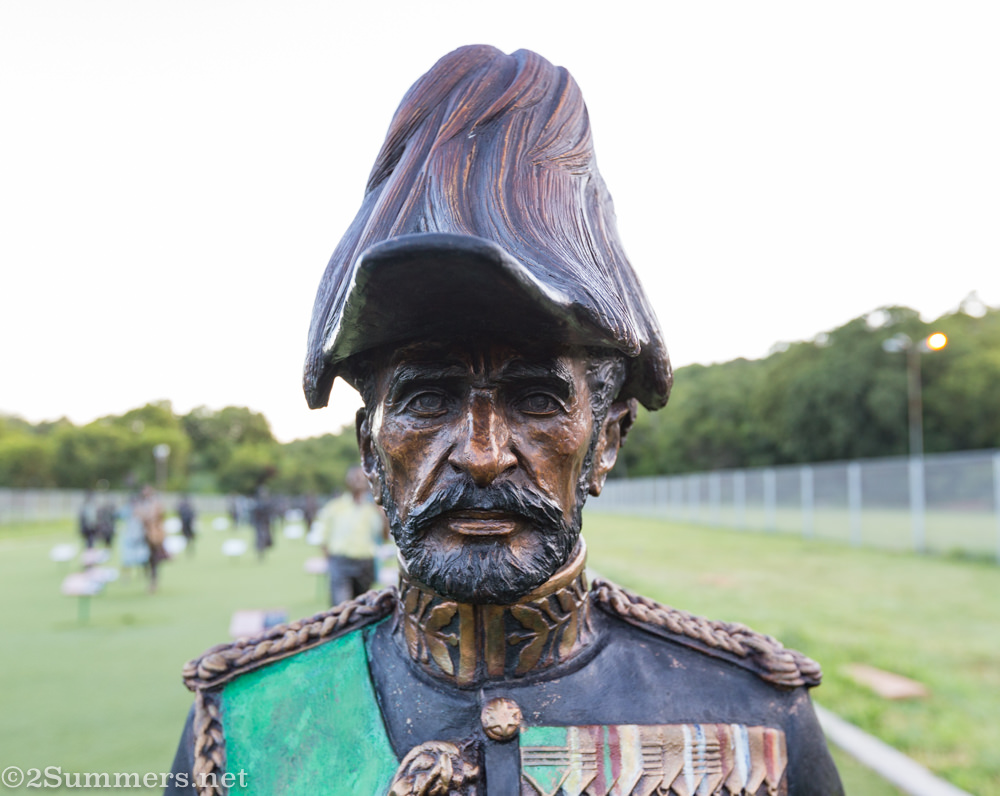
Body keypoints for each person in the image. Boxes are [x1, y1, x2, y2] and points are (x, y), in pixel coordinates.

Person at [167, 46, 842, 794]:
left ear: (607, 441)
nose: (483, 456)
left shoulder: (750, 717)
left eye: (537, 400)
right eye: (427, 400)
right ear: (369, 447)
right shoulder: (252, 719)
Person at [316, 467, 387, 605]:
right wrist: (331, 563)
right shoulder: (334, 507)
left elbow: (383, 536)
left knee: (361, 609)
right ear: (347, 481)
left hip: (365, 564)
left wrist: (383, 516)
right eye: (354, 477)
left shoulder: (373, 509)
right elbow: (322, 538)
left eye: (361, 477)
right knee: (341, 607)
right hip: (341, 563)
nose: (358, 480)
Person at [136, 485, 167, 593]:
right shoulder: (140, 504)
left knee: (154, 559)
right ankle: (148, 577)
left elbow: (160, 517)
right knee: (144, 559)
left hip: (153, 536)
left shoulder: (156, 504)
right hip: (143, 535)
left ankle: (153, 581)